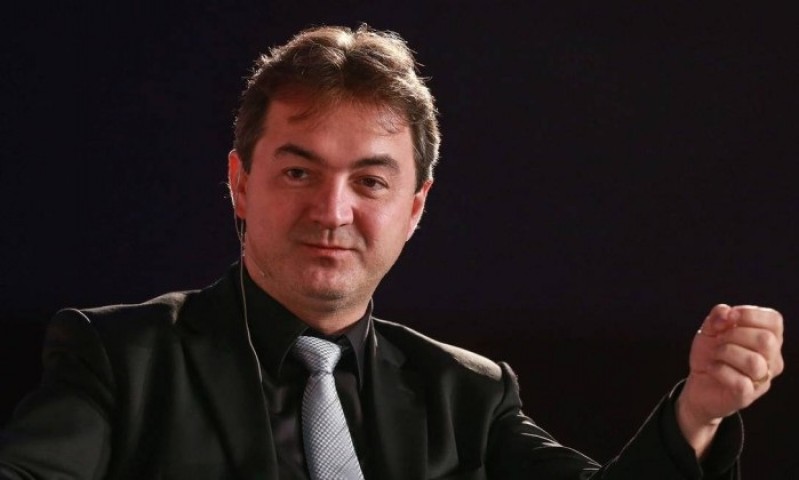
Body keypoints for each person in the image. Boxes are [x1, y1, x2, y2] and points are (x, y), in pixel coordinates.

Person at [0, 24, 784, 480]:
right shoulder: (119, 357)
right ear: (239, 183)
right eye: (298, 172)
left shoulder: (466, 394)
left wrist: (697, 413)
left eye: (370, 182)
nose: (331, 211)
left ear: (413, 209)